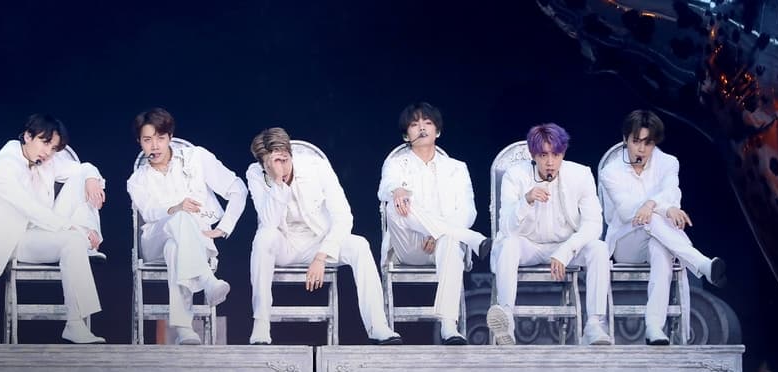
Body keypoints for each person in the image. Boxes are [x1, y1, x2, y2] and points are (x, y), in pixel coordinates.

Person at [246, 127, 400, 345]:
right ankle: (261, 324)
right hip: (284, 243)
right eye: (272, 163)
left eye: (284, 160)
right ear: (263, 164)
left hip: (320, 241)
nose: (280, 166)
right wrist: (278, 182)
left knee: (360, 245)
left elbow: (343, 216)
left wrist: (321, 256)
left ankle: (378, 326)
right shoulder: (255, 174)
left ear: (290, 154)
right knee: (263, 238)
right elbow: (269, 222)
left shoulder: (316, 166)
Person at [598, 110, 727, 345]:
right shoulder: (610, 172)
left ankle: (654, 326)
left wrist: (651, 205)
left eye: (648, 143)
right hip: (626, 242)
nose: (641, 149)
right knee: (655, 221)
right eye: (636, 141)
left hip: (659, 238)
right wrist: (661, 207)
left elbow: (672, 195)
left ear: (655, 142)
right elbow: (627, 211)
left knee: (661, 249)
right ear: (625, 139)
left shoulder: (668, 163)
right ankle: (701, 263)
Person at [0, 113, 108, 344]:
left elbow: (84, 167)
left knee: (81, 180)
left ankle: (88, 242)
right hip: (14, 240)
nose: (48, 152)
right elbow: (32, 210)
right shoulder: (4, 166)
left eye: (54, 148)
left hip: (42, 231)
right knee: (73, 240)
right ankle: (75, 324)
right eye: (45, 142)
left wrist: (92, 179)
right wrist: (76, 229)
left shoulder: (46, 158)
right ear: (27, 136)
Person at [126, 108, 245, 345]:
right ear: (139, 142)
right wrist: (176, 207)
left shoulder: (196, 158)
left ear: (170, 137)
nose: (155, 146)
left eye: (160, 138)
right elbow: (149, 212)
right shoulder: (137, 180)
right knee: (179, 219)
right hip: (153, 240)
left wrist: (224, 227)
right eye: (147, 140)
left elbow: (237, 188)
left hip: (194, 240)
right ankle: (208, 280)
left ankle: (183, 329)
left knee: (175, 248)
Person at [488, 122, 612, 346]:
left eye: (556, 154)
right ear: (533, 154)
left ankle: (594, 323)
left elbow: (594, 224)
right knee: (508, 244)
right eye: (543, 155)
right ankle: (506, 319)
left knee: (599, 248)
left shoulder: (580, 174)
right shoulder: (515, 176)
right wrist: (526, 201)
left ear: (563, 153)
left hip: (565, 246)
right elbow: (505, 227)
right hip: (529, 245)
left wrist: (566, 251)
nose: (550, 162)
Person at [378, 102, 485, 345]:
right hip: (409, 247)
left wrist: (437, 234)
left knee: (451, 241)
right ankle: (472, 239)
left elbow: (468, 211)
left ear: (438, 131)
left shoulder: (457, 168)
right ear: (406, 135)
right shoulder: (396, 163)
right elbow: (384, 189)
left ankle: (449, 326)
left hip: (442, 245)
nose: (422, 128)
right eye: (414, 124)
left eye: (428, 123)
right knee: (395, 204)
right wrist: (397, 189)